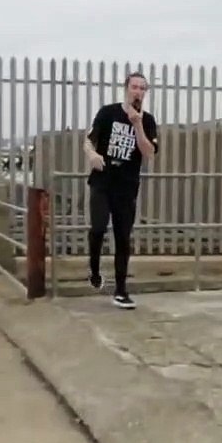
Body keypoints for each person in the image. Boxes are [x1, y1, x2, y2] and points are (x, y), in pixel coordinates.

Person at [83, 71, 158, 309]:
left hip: (126, 186)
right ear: (126, 88)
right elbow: (88, 140)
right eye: (134, 87)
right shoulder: (108, 112)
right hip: (102, 181)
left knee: (123, 237)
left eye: (142, 88)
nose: (138, 91)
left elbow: (149, 153)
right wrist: (92, 155)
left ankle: (121, 290)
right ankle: (94, 269)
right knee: (97, 227)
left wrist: (137, 124)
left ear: (146, 92)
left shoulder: (147, 121)